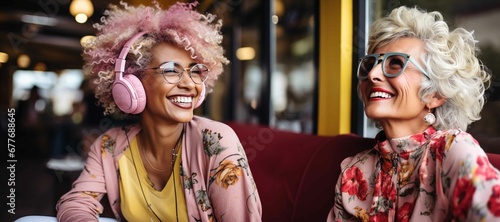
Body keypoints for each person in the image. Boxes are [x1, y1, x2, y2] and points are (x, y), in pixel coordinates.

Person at [56, 2, 262, 221]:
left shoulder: (216, 141)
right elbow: (75, 202)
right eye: (171, 70)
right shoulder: (109, 146)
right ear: (132, 84)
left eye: (195, 71)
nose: (190, 84)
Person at [328, 6, 500, 221]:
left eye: (396, 64)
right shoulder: (353, 171)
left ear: (435, 94)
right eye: (370, 64)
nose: (372, 74)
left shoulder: (453, 150)